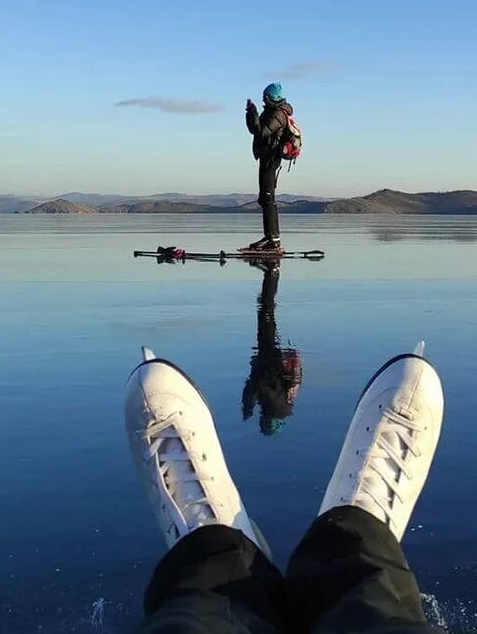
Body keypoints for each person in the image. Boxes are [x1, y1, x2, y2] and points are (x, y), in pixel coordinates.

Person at [124, 344, 446, 633]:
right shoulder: (278, 400)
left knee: (194, 612)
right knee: (372, 600)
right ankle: (355, 545)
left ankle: (216, 558)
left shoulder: (273, 400)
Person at [242, 261, 302, 436]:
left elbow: (293, 380)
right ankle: (271, 275)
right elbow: (256, 386)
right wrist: (247, 407)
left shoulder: (285, 403)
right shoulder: (273, 404)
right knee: (266, 313)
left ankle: (271, 278)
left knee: (268, 316)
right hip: (267, 358)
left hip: (273, 358)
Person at [245, 82, 293, 251]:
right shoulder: (270, 112)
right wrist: (250, 113)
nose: (264, 99)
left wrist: (255, 113)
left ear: (273, 97)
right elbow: (254, 130)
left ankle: (273, 239)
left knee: (267, 197)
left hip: (272, 158)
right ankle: (269, 237)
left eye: (266, 96)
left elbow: (262, 132)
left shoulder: (278, 114)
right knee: (264, 198)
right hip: (265, 156)